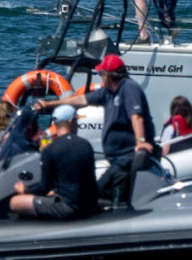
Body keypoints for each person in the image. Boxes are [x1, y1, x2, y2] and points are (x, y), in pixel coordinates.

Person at [45, 53, 153, 209]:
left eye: (102, 73)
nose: (101, 76)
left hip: (125, 159)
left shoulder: (129, 88)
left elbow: (137, 116)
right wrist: (51, 104)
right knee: (96, 192)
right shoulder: (108, 92)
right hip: (117, 159)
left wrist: (140, 141)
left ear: (108, 75)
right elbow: (82, 99)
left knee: (95, 194)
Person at [9, 105, 98, 220]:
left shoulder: (50, 149)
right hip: (89, 205)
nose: (77, 124)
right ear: (71, 121)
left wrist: (24, 190)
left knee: (15, 202)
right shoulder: (86, 144)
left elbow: (44, 188)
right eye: (76, 121)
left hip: (68, 208)